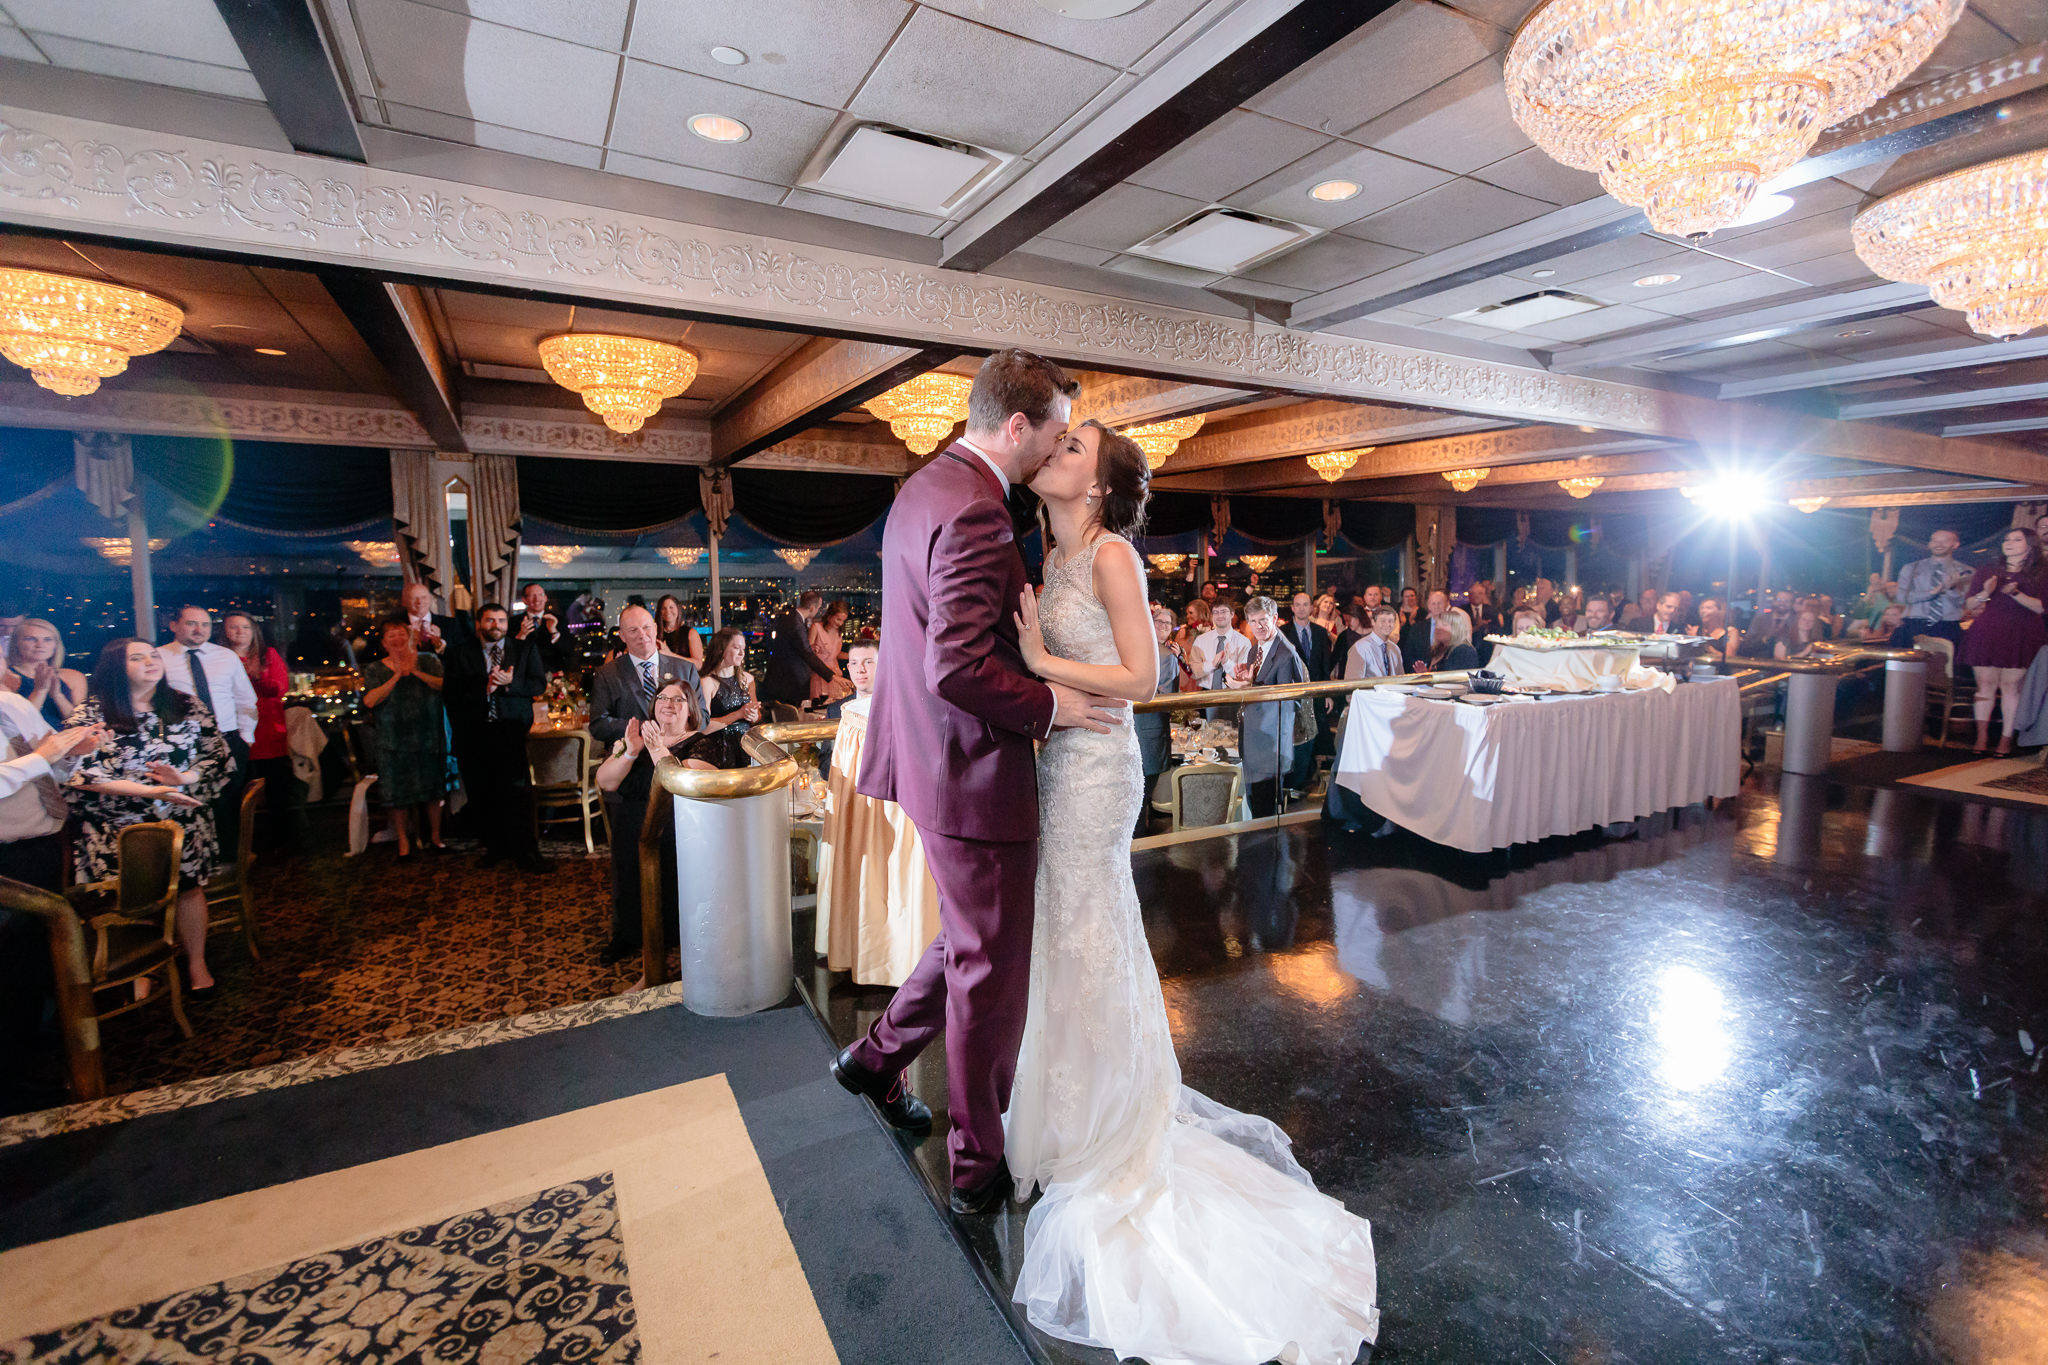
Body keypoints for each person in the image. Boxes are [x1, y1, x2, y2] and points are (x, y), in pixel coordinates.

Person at [1005, 420, 1378, 1362]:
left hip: (1097, 771)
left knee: (1091, 928)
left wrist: (1046, 665)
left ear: (1098, 482)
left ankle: (1107, 1126)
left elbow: (1140, 673)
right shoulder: (1051, 552)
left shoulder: (1115, 554)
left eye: (1077, 446)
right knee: (1068, 934)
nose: (1056, 449)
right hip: (1058, 764)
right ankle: (1066, 1106)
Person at [830, 348, 1122, 1219]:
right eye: (1058, 433)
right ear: (1018, 427)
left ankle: (875, 1060)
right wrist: (1049, 707)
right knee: (991, 968)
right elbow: (954, 664)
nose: (1060, 448)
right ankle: (974, 1160)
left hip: (930, 763)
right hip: (972, 775)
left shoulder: (921, 490)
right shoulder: (979, 516)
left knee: (970, 940)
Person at [67, 639, 234, 996]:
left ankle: (196, 962)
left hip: (180, 819)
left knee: (188, 891)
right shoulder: (93, 712)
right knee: (135, 897)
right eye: (137, 657)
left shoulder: (186, 704)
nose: (149, 662)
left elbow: (216, 755)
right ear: (115, 667)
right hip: (118, 826)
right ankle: (143, 965)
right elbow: (76, 771)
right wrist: (151, 791)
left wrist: (184, 779)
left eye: (153, 655)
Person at [589, 604, 705, 964]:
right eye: (632, 631)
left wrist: (667, 734)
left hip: (674, 775)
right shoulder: (609, 673)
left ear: (656, 629)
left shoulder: (684, 667)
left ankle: (676, 933)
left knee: (677, 864)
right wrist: (638, 731)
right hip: (631, 775)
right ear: (621, 636)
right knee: (629, 862)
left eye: (645, 628)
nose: (641, 636)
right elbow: (597, 723)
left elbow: (703, 717)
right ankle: (627, 934)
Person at [444, 603, 552, 873]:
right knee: (482, 796)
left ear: (507, 624)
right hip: (475, 735)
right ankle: (495, 848)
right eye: (490, 620)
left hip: (511, 733)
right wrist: (486, 689)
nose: (496, 626)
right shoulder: (460, 653)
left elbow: (538, 684)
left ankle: (526, 853)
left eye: (501, 621)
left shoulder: (523, 648)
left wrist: (509, 684)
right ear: (480, 623)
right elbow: (451, 695)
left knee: (517, 795)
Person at [158, 605, 257, 861]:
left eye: (205, 625)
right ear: (174, 625)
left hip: (228, 739)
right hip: (185, 744)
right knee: (193, 802)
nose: (199, 630)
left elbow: (245, 699)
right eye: (191, 623)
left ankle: (232, 859)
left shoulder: (225, 656)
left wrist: (245, 738)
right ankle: (198, 860)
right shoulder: (158, 657)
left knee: (229, 801)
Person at [360, 616, 447, 859]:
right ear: (384, 643)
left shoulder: (429, 660)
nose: (398, 639)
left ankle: (436, 838)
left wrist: (415, 673)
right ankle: (403, 842)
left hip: (428, 736)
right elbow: (369, 701)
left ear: (411, 638)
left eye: (402, 634)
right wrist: (397, 675)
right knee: (397, 795)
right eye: (391, 636)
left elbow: (444, 686)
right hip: (392, 741)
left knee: (434, 790)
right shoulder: (375, 669)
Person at [1960, 527, 2048, 755]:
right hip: (1987, 632)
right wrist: (1985, 592)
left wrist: (2015, 594)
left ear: (2029, 544)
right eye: (2007, 539)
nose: (2009, 543)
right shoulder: (1988, 570)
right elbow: (1970, 605)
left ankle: (2006, 739)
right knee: (1985, 684)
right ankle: (1981, 737)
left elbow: (2041, 607)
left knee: (2011, 687)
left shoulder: (2042, 572)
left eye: (2016, 540)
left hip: (2022, 632)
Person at [1223, 595, 1309, 818]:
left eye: (1263, 620)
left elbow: (1291, 702)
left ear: (1275, 618)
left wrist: (1248, 688)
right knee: (1255, 805)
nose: (1258, 626)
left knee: (1266, 812)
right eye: (1252, 621)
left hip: (1270, 744)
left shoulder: (1285, 654)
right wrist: (1247, 681)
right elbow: (1259, 684)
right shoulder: (1255, 649)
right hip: (1254, 740)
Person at [222, 611, 299, 853]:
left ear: (254, 630)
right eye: (234, 627)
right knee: (237, 791)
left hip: (268, 731)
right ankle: (242, 845)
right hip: (232, 733)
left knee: (276, 790)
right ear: (224, 631)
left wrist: (252, 677)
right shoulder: (219, 657)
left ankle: (282, 842)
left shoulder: (268, 655)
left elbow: (279, 688)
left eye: (245, 627)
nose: (239, 631)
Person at [1132, 604, 1182, 837]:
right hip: (1150, 728)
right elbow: (1167, 697)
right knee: (1143, 792)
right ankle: (1141, 839)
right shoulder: (1164, 655)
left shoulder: (1136, 649)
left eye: (1167, 623)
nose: (1162, 626)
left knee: (1137, 792)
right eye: (1158, 621)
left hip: (1135, 727)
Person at [694, 625, 762, 770]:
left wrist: (754, 715)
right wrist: (738, 714)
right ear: (721, 649)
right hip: (717, 749)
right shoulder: (707, 682)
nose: (741, 653)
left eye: (743, 649)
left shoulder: (748, 679)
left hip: (746, 746)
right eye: (737, 648)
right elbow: (702, 727)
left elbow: (757, 718)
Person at [760, 590, 839, 710]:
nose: (818, 610)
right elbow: (806, 653)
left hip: (780, 681)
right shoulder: (796, 624)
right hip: (787, 684)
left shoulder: (789, 617)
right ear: (812, 608)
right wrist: (832, 676)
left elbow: (794, 648)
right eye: (818, 607)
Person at [1892, 530, 1971, 648]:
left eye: (1945, 541)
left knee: (1946, 665)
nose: (1939, 544)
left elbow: (1964, 602)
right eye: (1934, 540)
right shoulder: (1911, 568)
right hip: (1914, 624)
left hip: (1948, 626)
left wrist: (1952, 588)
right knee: (1911, 665)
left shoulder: (1966, 571)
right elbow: (1901, 597)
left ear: (1955, 545)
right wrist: (1930, 594)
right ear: (1929, 544)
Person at [6, 619, 86, 727]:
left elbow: (79, 724)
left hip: (68, 740)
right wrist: (40, 691)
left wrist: (58, 696)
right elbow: (19, 723)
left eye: (47, 639)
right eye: (30, 639)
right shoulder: (6, 676)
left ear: (55, 645)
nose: (40, 645)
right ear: (16, 643)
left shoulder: (73, 677)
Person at [1190, 600, 1250, 689]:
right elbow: (1193, 671)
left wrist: (1226, 662)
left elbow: (1244, 676)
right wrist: (1212, 664)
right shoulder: (1201, 640)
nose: (1220, 616)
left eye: (1224, 612)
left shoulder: (1243, 642)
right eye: (1216, 612)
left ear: (1232, 614)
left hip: (1232, 694)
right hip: (1205, 694)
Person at [399, 581, 469, 655]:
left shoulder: (450, 623)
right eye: (413, 598)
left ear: (430, 599)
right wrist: (409, 642)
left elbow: (462, 654)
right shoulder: (395, 625)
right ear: (404, 601)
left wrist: (440, 644)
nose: (419, 602)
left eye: (424, 597)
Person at [516, 582, 570, 673]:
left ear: (545, 598)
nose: (537, 599)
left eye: (540, 595)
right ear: (524, 600)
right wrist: (521, 635)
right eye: (532, 595)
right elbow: (510, 654)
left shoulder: (559, 620)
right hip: (525, 674)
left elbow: (568, 651)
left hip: (554, 675)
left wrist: (554, 631)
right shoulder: (514, 622)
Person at [807, 599, 851, 704]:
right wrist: (813, 648)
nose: (841, 623)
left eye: (843, 621)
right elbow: (808, 654)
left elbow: (835, 654)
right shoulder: (816, 627)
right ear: (830, 616)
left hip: (835, 674)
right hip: (820, 673)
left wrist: (853, 656)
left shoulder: (838, 632)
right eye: (838, 619)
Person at [651, 592, 703, 668]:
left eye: (671, 607)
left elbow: (698, 665)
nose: (668, 611)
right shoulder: (654, 633)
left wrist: (671, 655)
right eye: (663, 608)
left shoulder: (691, 633)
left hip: (683, 678)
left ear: (678, 609)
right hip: (660, 678)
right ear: (659, 612)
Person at [1400, 589, 1449, 664]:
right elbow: (1408, 654)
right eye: (1433, 604)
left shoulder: (1453, 626)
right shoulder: (1417, 628)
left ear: (1446, 605)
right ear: (1429, 606)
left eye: (1439, 603)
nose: (1436, 606)